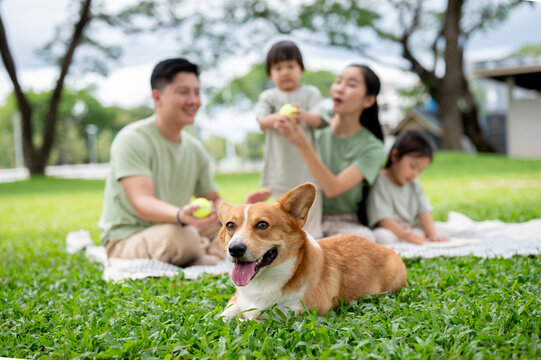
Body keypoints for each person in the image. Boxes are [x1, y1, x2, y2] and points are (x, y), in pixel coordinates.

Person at [98, 58, 223, 266]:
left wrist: (242, 213)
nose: (194, 100)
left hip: (179, 226)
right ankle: (206, 255)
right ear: (157, 97)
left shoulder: (195, 148)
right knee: (183, 237)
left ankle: (207, 257)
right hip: (128, 238)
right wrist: (180, 216)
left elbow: (213, 201)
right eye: (184, 92)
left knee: (236, 232)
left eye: (197, 92)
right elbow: (142, 202)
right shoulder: (132, 139)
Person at [258, 64, 387, 242]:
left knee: (363, 238)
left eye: (351, 84)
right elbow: (294, 168)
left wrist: (303, 144)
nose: (339, 88)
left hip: (340, 221)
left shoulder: (373, 148)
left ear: (368, 100)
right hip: (302, 216)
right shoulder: (313, 128)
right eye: (338, 81)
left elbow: (333, 188)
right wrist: (268, 191)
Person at [254, 40, 329, 238]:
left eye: (290, 66)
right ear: (270, 74)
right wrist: (276, 117)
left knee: (311, 222)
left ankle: (315, 250)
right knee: (282, 221)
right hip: (280, 172)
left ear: (301, 69)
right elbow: (262, 121)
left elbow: (320, 120)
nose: (285, 72)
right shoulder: (268, 96)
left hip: (308, 172)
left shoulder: (310, 93)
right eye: (278, 68)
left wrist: (303, 115)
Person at [366, 130, 449, 245]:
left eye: (420, 170)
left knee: (438, 228)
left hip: (411, 228)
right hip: (392, 231)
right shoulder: (380, 181)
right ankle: (412, 238)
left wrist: (432, 235)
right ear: (395, 156)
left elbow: (423, 212)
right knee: (381, 236)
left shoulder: (414, 183)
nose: (415, 174)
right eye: (412, 166)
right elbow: (384, 219)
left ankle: (419, 236)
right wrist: (405, 235)